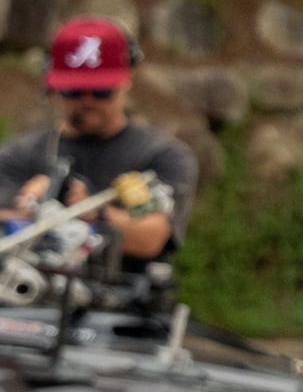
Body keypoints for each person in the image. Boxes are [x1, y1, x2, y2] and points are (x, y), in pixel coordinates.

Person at [2, 20, 197, 261]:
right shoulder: (19, 154)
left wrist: (92, 211)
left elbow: (152, 239)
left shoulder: (162, 155)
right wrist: (35, 206)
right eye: (74, 90)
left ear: (128, 79)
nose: (88, 100)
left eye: (102, 91)